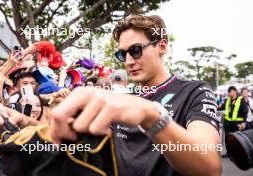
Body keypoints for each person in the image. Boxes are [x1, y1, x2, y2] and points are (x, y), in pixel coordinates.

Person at [49, 15, 221, 176]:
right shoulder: (124, 100)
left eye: (136, 50)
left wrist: (152, 117)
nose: (128, 61)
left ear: (161, 46)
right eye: (122, 54)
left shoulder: (194, 92)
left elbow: (210, 166)